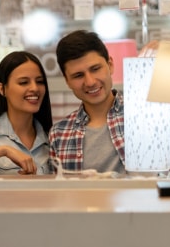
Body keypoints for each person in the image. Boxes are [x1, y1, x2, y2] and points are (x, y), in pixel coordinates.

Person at [49, 30, 127, 174]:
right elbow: (59, 192)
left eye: (95, 69)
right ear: (67, 81)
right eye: (78, 75)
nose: (90, 82)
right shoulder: (59, 133)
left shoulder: (145, 114)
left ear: (110, 65)